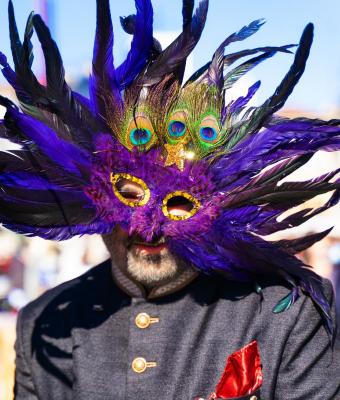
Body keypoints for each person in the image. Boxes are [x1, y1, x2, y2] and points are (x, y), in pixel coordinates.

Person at [0, 0, 339, 399]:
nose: (149, 226)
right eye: (128, 195)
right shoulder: (45, 323)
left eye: (178, 203)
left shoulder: (284, 314)